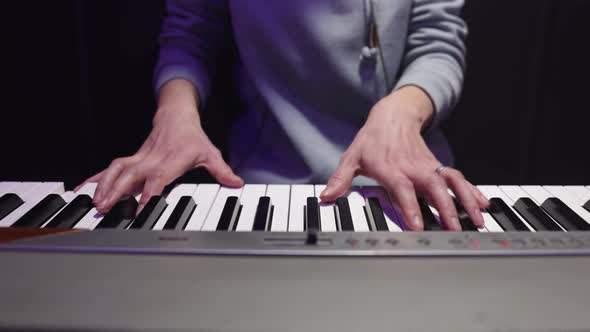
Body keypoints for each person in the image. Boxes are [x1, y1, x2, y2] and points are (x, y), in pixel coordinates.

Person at [78, 0, 489, 231]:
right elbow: (189, 33)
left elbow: (438, 43)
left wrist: (400, 112)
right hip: (262, 188)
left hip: (406, 182)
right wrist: (175, 116)